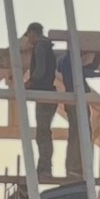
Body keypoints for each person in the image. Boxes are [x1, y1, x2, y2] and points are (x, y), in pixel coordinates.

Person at [57, 41, 100, 179]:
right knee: (78, 134)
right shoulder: (68, 61)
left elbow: (88, 67)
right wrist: (98, 74)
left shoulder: (66, 60)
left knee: (79, 133)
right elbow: (81, 72)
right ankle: (75, 167)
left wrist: (98, 55)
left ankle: (76, 167)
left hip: (77, 100)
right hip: (76, 101)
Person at [24, 22, 58, 178]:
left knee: (42, 132)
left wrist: (31, 82)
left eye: (28, 35)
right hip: (49, 93)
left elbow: (40, 69)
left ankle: (45, 167)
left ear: (33, 32)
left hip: (44, 94)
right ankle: (45, 166)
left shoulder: (40, 47)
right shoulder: (46, 47)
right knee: (44, 131)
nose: (28, 39)